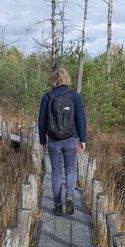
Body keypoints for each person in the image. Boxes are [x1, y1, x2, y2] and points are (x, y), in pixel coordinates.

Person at [38, 68, 87, 216]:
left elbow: (41, 121)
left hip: (53, 140)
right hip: (71, 139)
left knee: (56, 172)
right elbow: (81, 119)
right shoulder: (75, 97)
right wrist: (82, 139)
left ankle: (58, 206)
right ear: (67, 79)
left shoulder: (47, 96)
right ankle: (70, 195)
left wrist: (42, 140)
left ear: (54, 80)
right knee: (71, 170)